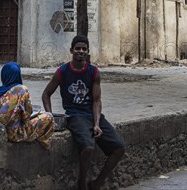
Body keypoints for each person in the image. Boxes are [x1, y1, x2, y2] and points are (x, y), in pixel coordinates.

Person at [42, 35, 125, 190]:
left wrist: (97, 124)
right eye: (77, 48)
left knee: (119, 147)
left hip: (91, 115)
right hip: (75, 116)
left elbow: (96, 100)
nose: (81, 51)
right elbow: (46, 94)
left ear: (87, 52)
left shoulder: (93, 72)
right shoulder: (62, 71)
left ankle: (97, 183)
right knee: (88, 147)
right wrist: (49, 117)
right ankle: (82, 183)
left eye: (84, 49)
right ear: (71, 51)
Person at [0, 61, 54, 149]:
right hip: (14, 133)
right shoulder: (21, 90)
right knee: (49, 117)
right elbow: (26, 117)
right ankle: (44, 142)